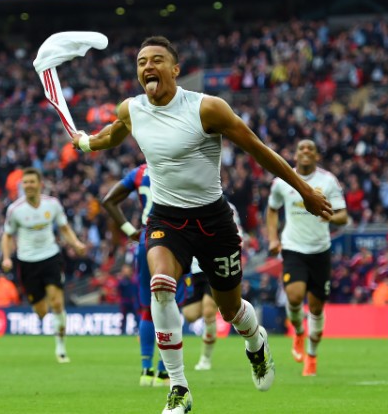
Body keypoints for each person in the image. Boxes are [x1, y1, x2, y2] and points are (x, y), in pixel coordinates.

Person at [73, 36, 332, 414]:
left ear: (175, 70)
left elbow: (258, 148)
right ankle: (179, 388)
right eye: (142, 61)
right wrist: (85, 143)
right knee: (160, 284)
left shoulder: (207, 108)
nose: (148, 66)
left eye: (157, 59)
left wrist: (305, 189)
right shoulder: (132, 109)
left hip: (213, 220)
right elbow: (112, 134)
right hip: (166, 218)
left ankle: (255, 342)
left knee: (231, 310)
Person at [266, 139, 348, 377]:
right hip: (293, 248)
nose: (305, 152)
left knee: (316, 307)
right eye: (301, 148)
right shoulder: (283, 180)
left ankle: (311, 356)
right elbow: (272, 209)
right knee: (294, 295)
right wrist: (273, 238)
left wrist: (329, 216)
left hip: (320, 250)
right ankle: (299, 331)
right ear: (295, 154)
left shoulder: (328, 181)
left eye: (310, 149)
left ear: (316, 156)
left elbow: (343, 216)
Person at [102, 163, 182, 387]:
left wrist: (131, 232)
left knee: (148, 307)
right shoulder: (179, 164)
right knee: (172, 303)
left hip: (147, 239)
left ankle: (146, 370)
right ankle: (164, 372)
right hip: (174, 237)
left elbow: (108, 201)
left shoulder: (139, 172)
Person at [1, 167, 87, 363]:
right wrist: (6, 257)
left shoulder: (52, 204)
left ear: (40, 184)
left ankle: (61, 348)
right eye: (25, 183)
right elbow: (7, 235)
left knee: (57, 302)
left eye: (32, 182)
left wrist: (76, 243)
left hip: (50, 257)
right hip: (27, 262)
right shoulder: (15, 210)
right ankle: (47, 311)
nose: (29, 186)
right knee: (41, 311)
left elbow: (64, 227)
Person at [182, 201, 243, 372]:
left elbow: (238, 233)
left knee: (209, 311)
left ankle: (205, 359)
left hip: (214, 263)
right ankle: (225, 308)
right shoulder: (186, 204)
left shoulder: (228, 207)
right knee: (190, 315)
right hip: (194, 269)